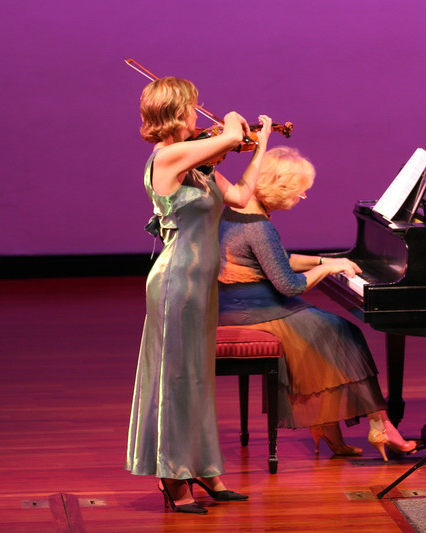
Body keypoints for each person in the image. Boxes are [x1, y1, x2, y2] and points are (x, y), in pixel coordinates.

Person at [125, 76, 272, 515]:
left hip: (200, 283)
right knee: (175, 378)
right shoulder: (169, 156)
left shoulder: (200, 165)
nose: (197, 114)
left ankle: (205, 468)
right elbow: (227, 132)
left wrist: (261, 146)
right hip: (176, 282)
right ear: (175, 112)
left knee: (196, 377)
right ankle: (173, 476)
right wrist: (233, 122)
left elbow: (243, 197)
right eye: (192, 107)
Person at [216, 146, 417, 461]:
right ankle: (380, 424)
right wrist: (326, 268)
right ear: (279, 189)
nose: (301, 198)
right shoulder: (259, 227)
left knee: (334, 331)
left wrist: (329, 259)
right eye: (300, 192)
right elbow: (289, 285)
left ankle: (328, 426)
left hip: (236, 307)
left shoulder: (235, 211)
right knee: (341, 331)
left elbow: (279, 261)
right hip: (255, 314)